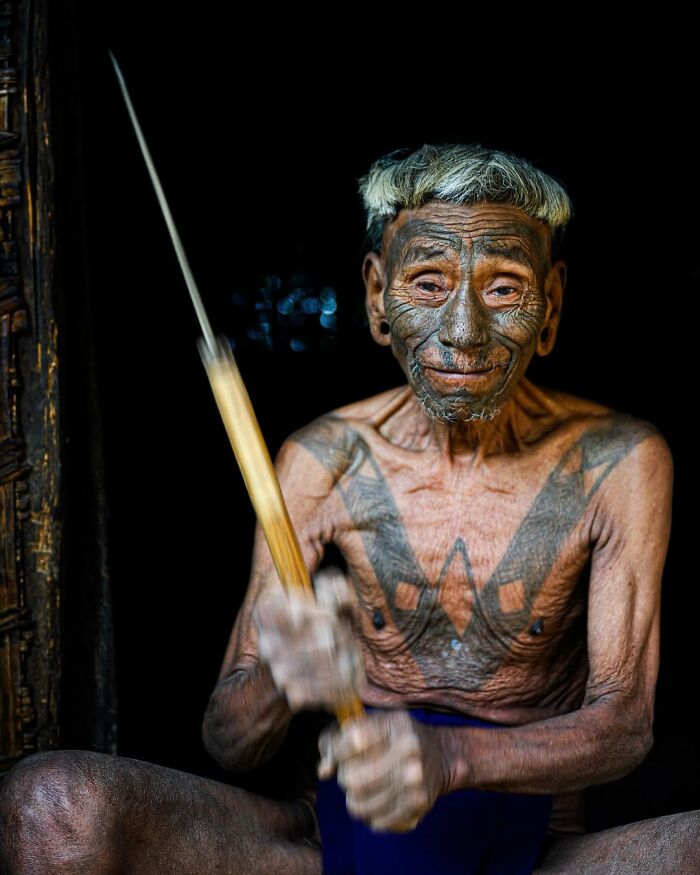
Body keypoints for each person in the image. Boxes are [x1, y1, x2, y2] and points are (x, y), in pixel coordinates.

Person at [0, 144, 697, 874]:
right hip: (340, 843)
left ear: (549, 307)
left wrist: (449, 757)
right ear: (376, 297)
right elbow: (228, 738)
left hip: (530, 849)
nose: (463, 330)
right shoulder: (323, 460)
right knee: (50, 806)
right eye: (428, 282)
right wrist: (282, 675)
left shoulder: (619, 461)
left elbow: (624, 726)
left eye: (503, 289)